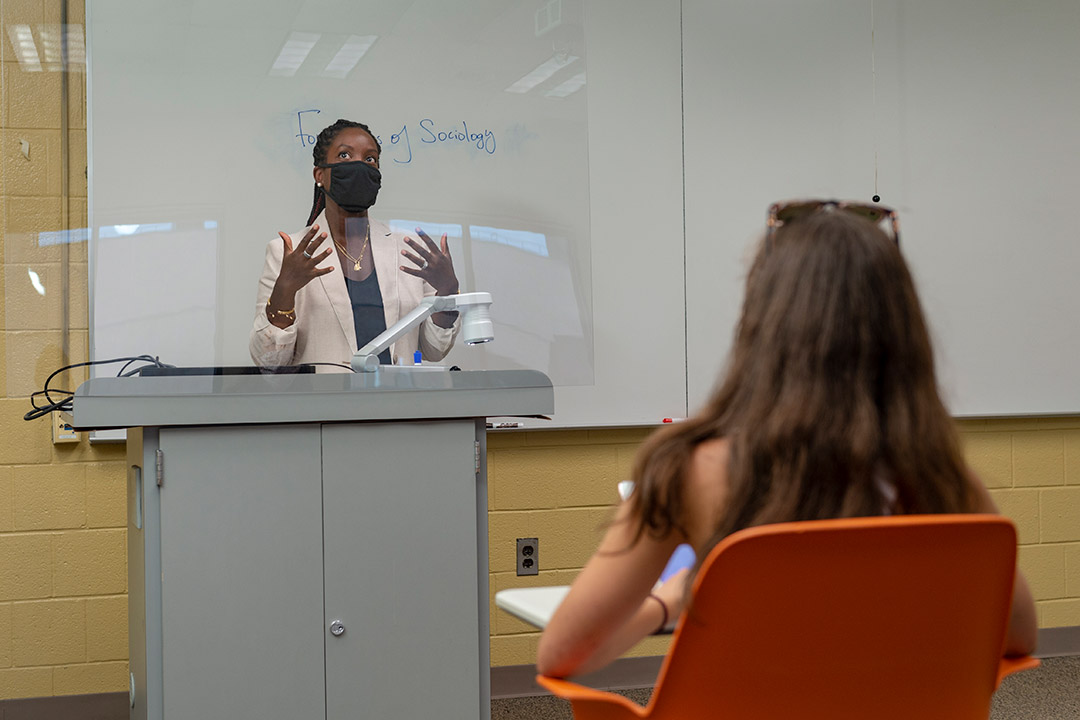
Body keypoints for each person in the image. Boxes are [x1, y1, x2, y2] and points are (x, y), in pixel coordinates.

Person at [536, 200, 1038, 678]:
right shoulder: (943, 481)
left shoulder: (685, 471)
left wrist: (672, 598)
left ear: (763, 324)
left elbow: (564, 655)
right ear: (903, 333)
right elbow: (1019, 637)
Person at [250, 119, 460, 370]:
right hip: (328, 405)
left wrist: (447, 293)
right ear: (320, 174)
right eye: (344, 155)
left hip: (400, 404)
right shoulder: (288, 252)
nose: (359, 165)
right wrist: (284, 292)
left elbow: (434, 350)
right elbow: (269, 362)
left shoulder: (409, 249)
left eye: (370, 159)